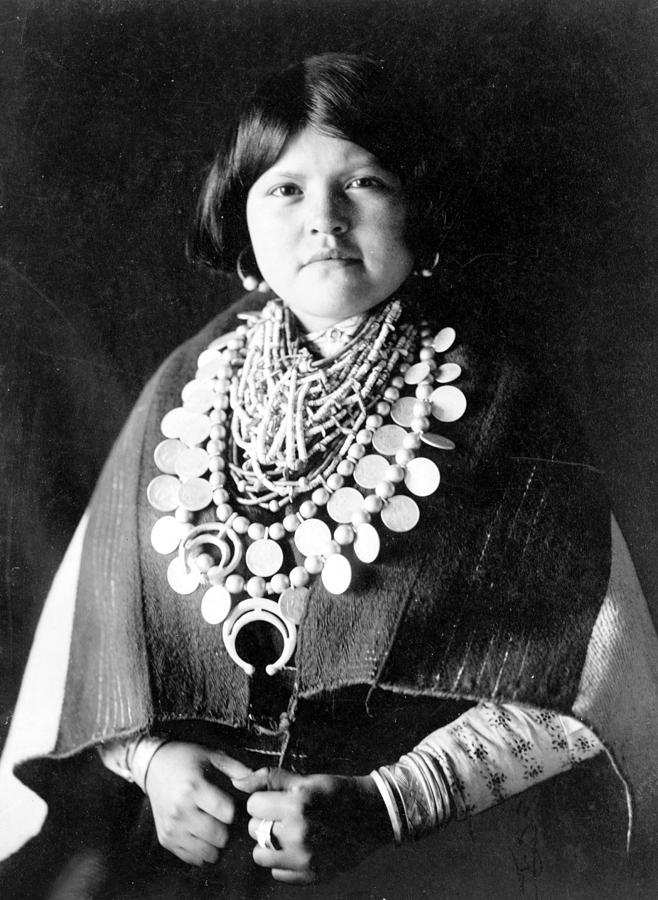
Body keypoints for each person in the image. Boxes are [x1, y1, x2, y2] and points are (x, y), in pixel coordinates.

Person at [1, 52, 657, 900]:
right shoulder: (187, 389)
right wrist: (154, 762)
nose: (325, 219)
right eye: (285, 188)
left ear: (418, 211)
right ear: (240, 225)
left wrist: (390, 804)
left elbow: (591, 676)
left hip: (425, 853)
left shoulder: (498, 401)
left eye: (365, 183)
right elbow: (88, 652)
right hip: (202, 851)